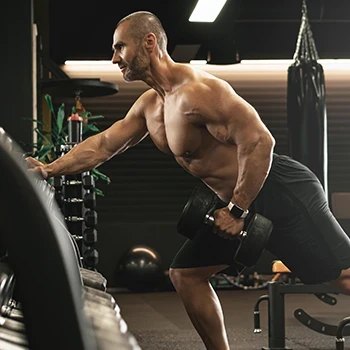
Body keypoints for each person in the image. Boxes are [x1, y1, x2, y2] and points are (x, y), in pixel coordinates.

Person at [27, 11, 350, 350]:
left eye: (120, 47)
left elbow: (260, 142)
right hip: (234, 204)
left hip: (280, 188)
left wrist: (237, 209)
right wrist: (50, 168)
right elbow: (105, 145)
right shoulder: (150, 106)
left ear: (148, 42)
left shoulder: (200, 92)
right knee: (186, 275)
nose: (114, 58)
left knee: (341, 277)